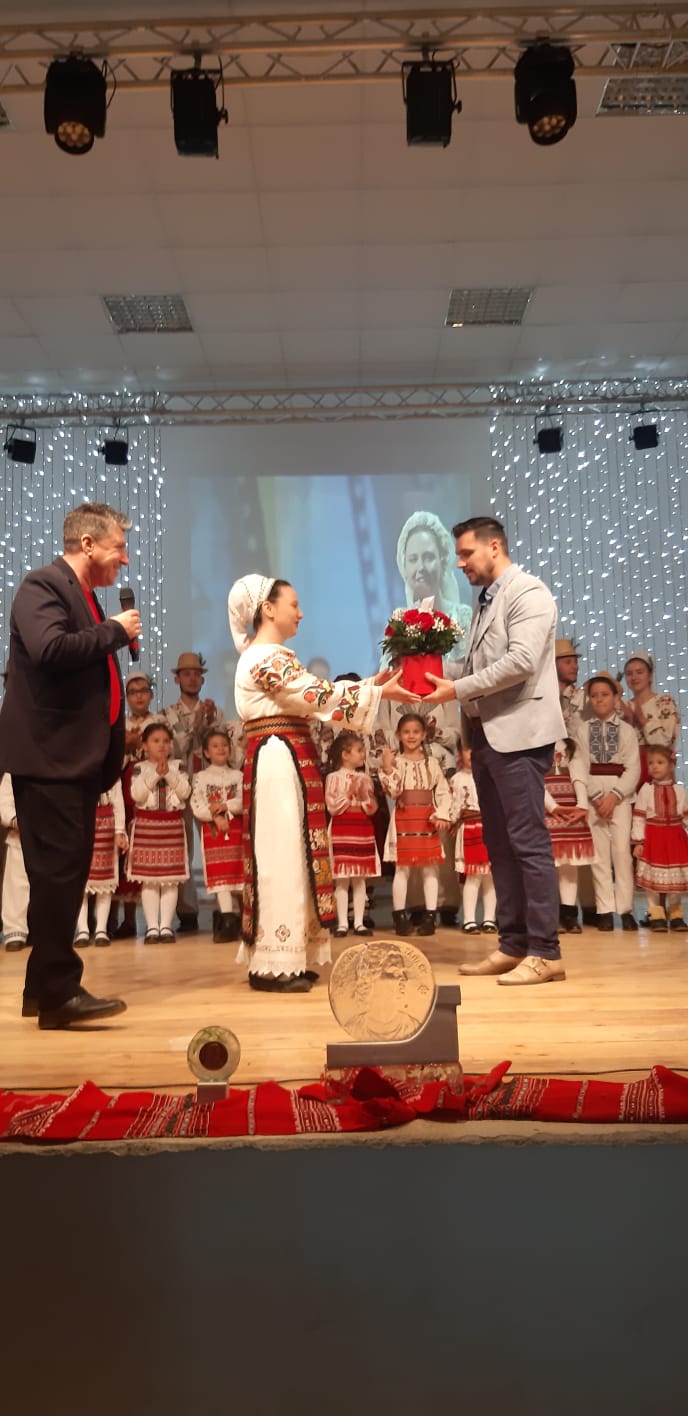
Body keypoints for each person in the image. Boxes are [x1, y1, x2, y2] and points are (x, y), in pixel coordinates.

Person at [228, 573, 415, 993]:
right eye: (293, 604)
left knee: (294, 854)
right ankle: (272, 963)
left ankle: (291, 955)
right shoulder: (264, 658)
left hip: (286, 755)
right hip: (277, 758)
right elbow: (312, 695)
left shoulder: (271, 656)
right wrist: (375, 694)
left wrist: (370, 687)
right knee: (280, 856)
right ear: (268, 609)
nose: (300, 613)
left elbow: (311, 693)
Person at [0, 502, 139, 1027]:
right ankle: (59, 995)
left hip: (71, 761)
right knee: (59, 876)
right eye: (118, 548)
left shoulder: (84, 597)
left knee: (60, 876)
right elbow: (50, 648)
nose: (124, 559)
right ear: (87, 544)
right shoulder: (42, 585)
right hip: (49, 758)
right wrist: (115, 632)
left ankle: (40, 990)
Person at [425, 515, 567, 985]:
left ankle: (545, 952)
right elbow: (480, 666)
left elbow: (521, 661)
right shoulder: (487, 599)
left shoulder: (528, 592)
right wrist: (427, 668)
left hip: (520, 735)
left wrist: (457, 688)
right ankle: (514, 943)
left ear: (494, 547)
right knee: (500, 845)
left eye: (466, 553)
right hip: (488, 734)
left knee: (527, 841)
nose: (460, 563)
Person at [573, 672, 640, 932]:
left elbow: (633, 768)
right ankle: (605, 910)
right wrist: (596, 796)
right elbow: (580, 764)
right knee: (599, 856)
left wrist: (614, 796)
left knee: (621, 853)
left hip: (619, 796)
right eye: (594, 695)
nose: (599, 699)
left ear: (615, 697)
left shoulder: (626, 731)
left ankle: (626, 909)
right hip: (594, 797)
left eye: (604, 695)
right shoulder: (582, 730)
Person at [165, 651, 225, 932]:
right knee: (183, 847)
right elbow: (175, 750)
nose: (192, 679)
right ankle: (186, 910)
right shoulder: (169, 714)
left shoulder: (216, 712)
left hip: (210, 786)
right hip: (181, 787)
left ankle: (225, 908)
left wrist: (209, 722)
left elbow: (224, 746)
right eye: (186, 674)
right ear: (177, 679)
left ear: (202, 679)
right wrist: (197, 723)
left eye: (197, 674)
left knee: (217, 842)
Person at [378, 712, 452, 938]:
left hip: (427, 819)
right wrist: (388, 767)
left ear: (423, 734)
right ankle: (400, 917)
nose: (411, 736)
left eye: (416, 732)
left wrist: (442, 814)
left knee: (430, 867)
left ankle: (430, 917)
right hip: (404, 818)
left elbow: (443, 791)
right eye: (406, 732)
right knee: (402, 869)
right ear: (398, 735)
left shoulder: (432, 763)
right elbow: (394, 791)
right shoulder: (397, 763)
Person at [127, 721, 191, 943]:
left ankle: (166, 926)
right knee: (150, 880)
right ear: (145, 745)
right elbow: (137, 795)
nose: (161, 745)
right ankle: (152, 927)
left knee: (170, 879)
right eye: (155, 741)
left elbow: (184, 792)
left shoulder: (178, 766)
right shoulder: (140, 768)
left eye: (165, 741)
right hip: (147, 826)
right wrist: (155, 775)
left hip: (171, 826)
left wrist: (169, 775)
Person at [190, 726, 244, 943]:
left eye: (224, 745)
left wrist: (226, 807)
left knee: (240, 874)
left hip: (237, 829)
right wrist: (214, 816)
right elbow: (197, 804)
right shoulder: (201, 777)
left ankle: (245, 920)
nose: (221, 749)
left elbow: (243, 799)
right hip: (214, 832)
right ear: (206, 752)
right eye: (215, 746)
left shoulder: (238, 775)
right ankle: (227, 919)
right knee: (221, 876)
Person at [324, 730, 379, 939]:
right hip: (342, 829)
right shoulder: (333, 778)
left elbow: (372, 807)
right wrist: (349, 792)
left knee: (359, 878)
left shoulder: (365, 778)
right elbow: (332, 807)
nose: (363, 754)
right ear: (345, 755)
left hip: (361, 829)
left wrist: (364, 795)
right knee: (341, 879)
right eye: (359, 750)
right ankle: (341, 923)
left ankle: (358, 922)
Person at [396, 509, 472, 658]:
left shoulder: (462, 617)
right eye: (413, 559)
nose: (420, 567)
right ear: (404, 566)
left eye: (428, 557)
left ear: (442, 561)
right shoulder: (398, 624)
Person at [631, 745, 688, 932]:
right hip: (654, 838)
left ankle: (676, 914)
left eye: (660, 762)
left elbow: (685, 816)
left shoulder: (680, 791)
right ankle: (656, 915)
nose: (654, 766)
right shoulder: (646, 790)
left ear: (671, 765)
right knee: (653, 880)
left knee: (674, 879)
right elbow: (639, 817)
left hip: (675, 839)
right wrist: (639, 842)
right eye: (651, 763)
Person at [543, 738, 595, 934]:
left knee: (569, 865)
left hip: (572, 810)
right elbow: (535, 778)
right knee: (547, 865)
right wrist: (552, 806)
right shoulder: (536, 742)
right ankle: (550, 915)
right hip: (547, 809)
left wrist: (581, 805)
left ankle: (569, 914)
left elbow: (579, 775)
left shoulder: (571, 745)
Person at [449, 744, 497, 934]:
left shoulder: (491, 776)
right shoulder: (457, 779)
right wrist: (452, 820)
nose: (472, 754)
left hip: (490, 828)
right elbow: (453, 806)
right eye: (468, 750)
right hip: (469, 828)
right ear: (460, 753)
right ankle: (469, 919)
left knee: (490, 876)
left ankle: (489, 919)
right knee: (473, 876)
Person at [75, 780, 128, 947]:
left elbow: (118, 802)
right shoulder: (74, 769)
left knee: (105, 882)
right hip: (81, 824)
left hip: (106, 826)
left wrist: (119, 831)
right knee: (80, 884)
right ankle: (82, 930)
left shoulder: (111, 774)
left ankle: (101, 929)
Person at [620, 650, 680, 786]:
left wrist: (642, 719)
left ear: (650, 675)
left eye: (639, 672)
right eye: (629, 673)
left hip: (659, 770)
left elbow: (664, 743)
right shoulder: (625, 707)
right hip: (631, 770)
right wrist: (628, 721)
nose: (634, 677)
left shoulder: (664, 701)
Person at [0, 775, 29, 952]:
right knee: (16, 883)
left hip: (49, 836)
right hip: (20, 835)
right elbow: (4, 800)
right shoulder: (14, 771)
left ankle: (47, 930)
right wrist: (14, 819)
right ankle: (15, 929)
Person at [555, 639, 587, 729]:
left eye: (576, 662)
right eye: (568, 662)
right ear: (553, 665)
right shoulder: (544, 697)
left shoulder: (584, 699)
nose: (575, 667)